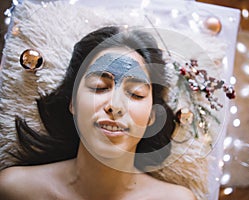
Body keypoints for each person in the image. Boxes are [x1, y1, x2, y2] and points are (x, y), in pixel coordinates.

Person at [0, 26, 196, 199]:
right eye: (99, 87)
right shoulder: (15, 189)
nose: (115, 105)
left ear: (152, 116)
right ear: (72, 103)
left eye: (136, 94)